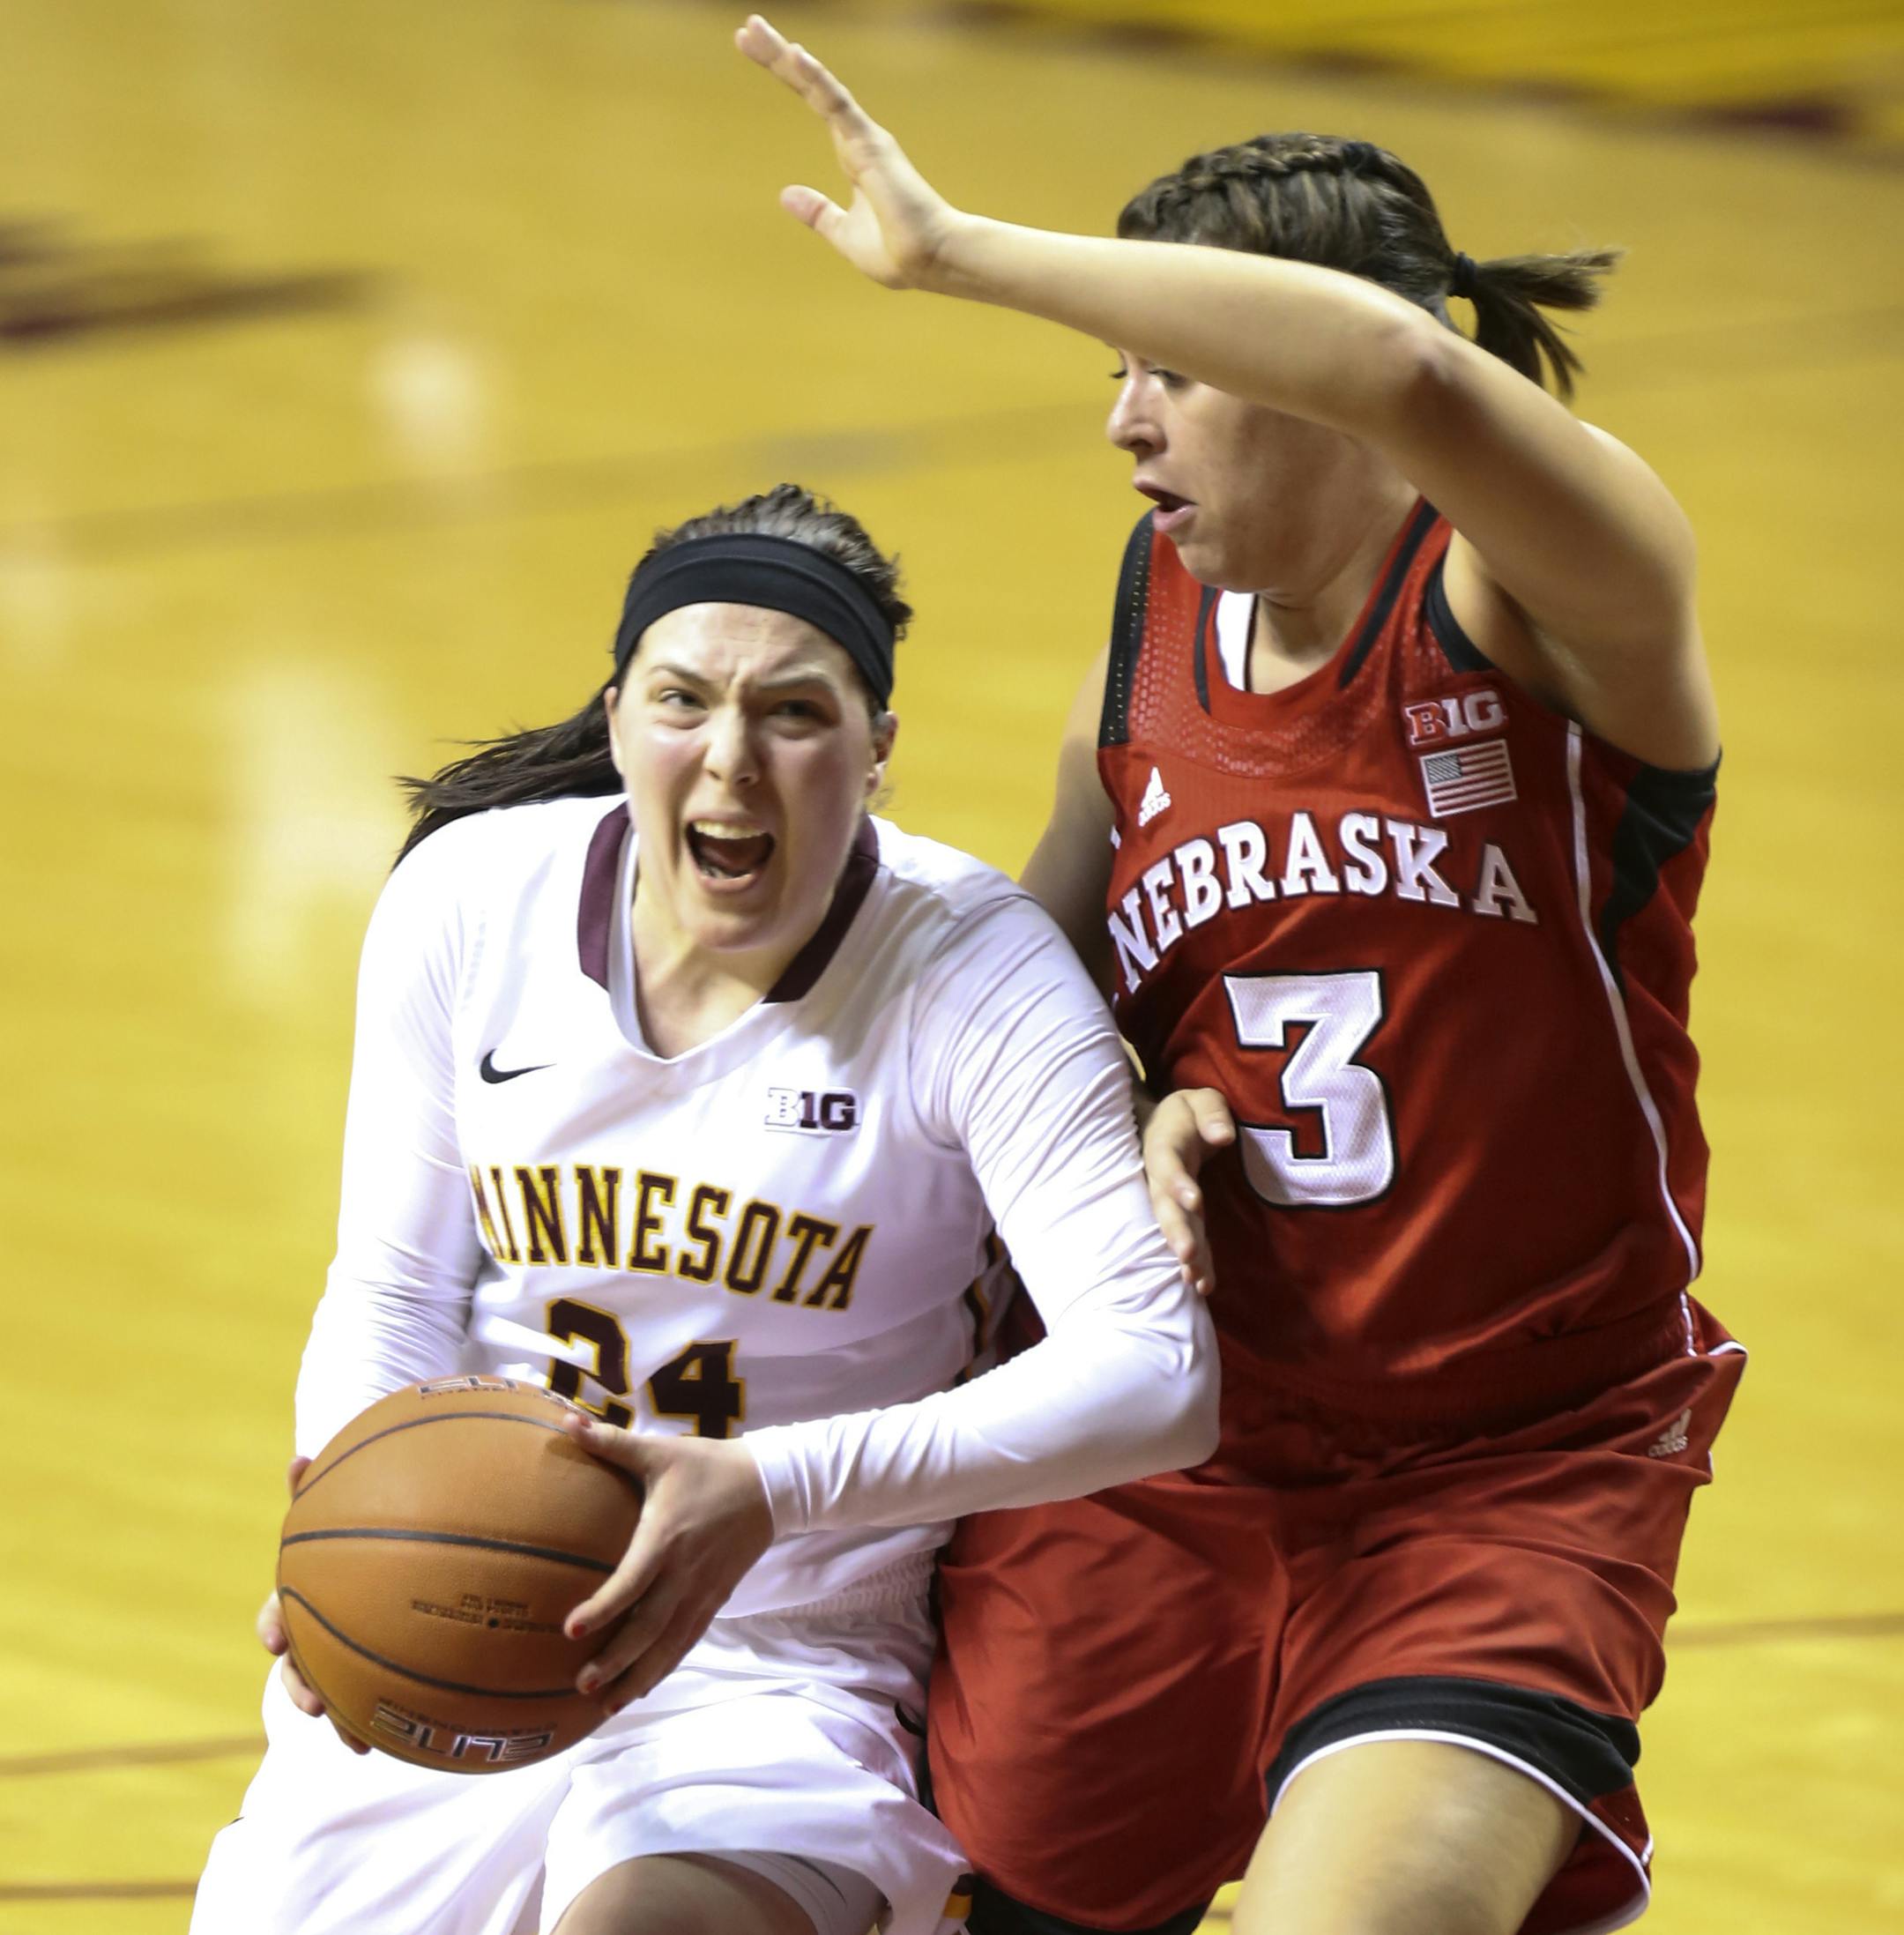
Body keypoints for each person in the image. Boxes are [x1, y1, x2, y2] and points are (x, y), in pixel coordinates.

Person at [740, 18, 1746, 1935]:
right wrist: (1115, 1097)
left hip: (1505, 1471)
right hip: (1164, 1444)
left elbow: (1401, 363)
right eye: (1122, 368)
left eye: (1176, 371)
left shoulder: (1548, 604)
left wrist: (960, 256)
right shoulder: (1149, 623)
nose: (1125, 422)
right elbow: (1017, 978)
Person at [190, 481, 1220, 1935]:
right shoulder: (470, 900)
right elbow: (390, 1289)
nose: (731, 761)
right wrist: (336, 1514)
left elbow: (1156, 1378)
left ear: (877, 751)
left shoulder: (973, 972)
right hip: (469, 1604)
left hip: (785, 1657)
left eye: (794, 714)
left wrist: (769, 1492)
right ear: (617, 720)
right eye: (684, 702)